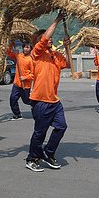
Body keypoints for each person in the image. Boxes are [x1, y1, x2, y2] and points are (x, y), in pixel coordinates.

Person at [24, 12, 70, 172]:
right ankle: (31, 158)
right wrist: (57, 19)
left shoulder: (55, 55)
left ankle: (48, 152)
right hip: (40, 101)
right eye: (46, 38)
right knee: (40, 133)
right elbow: (44, 38)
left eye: (50, 38)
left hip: (54, 101)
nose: (49, 39)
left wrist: (67, 47)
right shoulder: (36, 54)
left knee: (61, 127)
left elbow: (69, 64)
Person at [7, 41, 34, 120]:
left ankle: (38, 106)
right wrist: (11, 44)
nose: (25, 49)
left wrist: (25, 78)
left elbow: (33, 74)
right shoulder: (18, 56)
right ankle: (17, 114)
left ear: (30, 49)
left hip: (25, 85)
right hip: (16, 84)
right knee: (12, 99)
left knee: (26, 101)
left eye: (28, 47)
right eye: (25, 47)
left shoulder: (31, 60)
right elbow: (8, 52)